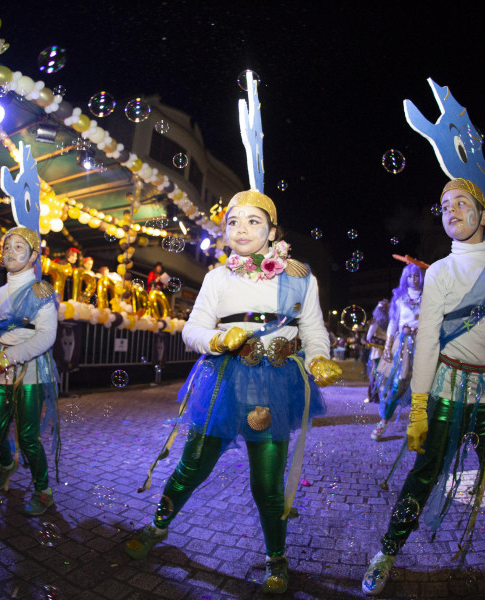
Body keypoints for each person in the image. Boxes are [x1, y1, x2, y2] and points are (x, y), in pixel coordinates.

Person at [124, 190, 341, 595]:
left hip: (275, 386)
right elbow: (192, 330)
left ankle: (276, 558)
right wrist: (219, 341)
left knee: (267, 483)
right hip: (222, 381)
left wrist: (318, 360)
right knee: (192, 466)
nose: (241, 229)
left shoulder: (299, 276)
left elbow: (312, 330)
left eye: (253, 221)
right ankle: (157, 527)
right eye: (233, 222)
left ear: (273, 231)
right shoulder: (217, 277)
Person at [362, 178, 485, 596]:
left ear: (482, 215)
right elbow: (426, 344)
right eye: (444, 206)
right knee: (423, 475)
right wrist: (419, 408)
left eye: (462, 203)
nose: (451, 211)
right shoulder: (439, 271)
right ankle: (387, 552)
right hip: (447, 388)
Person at [0, 226, 61, 516]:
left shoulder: (41, 291)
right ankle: (7, 465)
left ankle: (43, 490)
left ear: (34, 256)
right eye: (7, 246)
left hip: (30, 372)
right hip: (0, 370)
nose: (9, 251)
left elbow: (47, 337)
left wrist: (10, 355)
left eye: (18, 247)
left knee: (28, 436)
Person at [370, 264, 423, 441]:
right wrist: (387, 346)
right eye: (410, 276)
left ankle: (419, 426)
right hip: (402, 346)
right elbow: (393, 323)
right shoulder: (400, 299)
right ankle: (383, 421)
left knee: (424, 385)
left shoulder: (429, 298)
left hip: (423, 344)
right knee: (397, 383)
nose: (413, 279)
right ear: (405, 278)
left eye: (416, 276)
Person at [364, 300, 389, 403]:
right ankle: (374, 396)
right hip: (382, 350)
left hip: (382, 350)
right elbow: (369, 336)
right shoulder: (383, 321)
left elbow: (369, 336)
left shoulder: (379, 321)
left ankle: (375, 396)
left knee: (378, 373)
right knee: (379, 372)